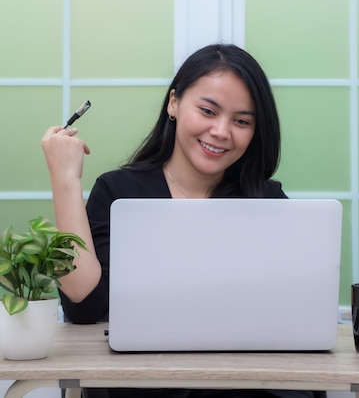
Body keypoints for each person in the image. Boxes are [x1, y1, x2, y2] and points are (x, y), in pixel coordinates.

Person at [41, 43, 313, 398]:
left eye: (241, 121)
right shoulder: (119, 191)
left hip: (246, 381)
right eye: (208, 110)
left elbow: (293, 311)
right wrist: (65, 180)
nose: (221, 131)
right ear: (174, 103)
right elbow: (84, 305)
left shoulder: (266, 200)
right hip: (146, 382)